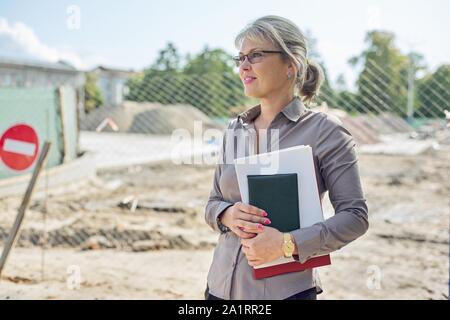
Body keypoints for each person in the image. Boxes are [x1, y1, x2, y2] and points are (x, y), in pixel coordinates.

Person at [204, 15, 369, 300]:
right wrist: (227, 214)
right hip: (218, 289)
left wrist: (286, 243)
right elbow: (212, 204)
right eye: (240, 57)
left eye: (255, 55)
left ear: (290, 64)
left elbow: (355, 217)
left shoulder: (325, 131)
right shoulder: (234, 130)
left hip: (285, 293)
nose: (243, 65)